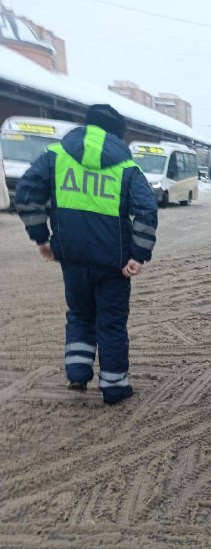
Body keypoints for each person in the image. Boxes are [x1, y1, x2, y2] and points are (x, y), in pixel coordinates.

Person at [15, 104, 158, 405]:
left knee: (79, 314)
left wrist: (41, 238)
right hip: (114, 265)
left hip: (72, 258)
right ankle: (114, 387)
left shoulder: (56, 156)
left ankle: (78, 373)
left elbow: (26, 191)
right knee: (111, 323)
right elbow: (146, 211)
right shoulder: (127, 167)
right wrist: (138, 255)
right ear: (117, 135)